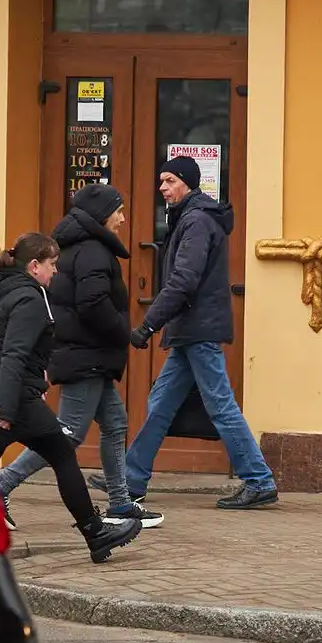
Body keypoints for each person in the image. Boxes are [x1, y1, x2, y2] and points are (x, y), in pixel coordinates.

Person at [0, 184, 163, 532]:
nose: (123, 218)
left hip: (86, 353)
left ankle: (120, 503)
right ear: (103, 214)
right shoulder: (94, 251)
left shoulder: (81, 246)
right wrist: (123, 331)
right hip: (86, 355)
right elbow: (92, 303)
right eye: (118, 211)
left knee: (115, 422)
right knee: (64, 436)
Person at [0, 232, 144, 563]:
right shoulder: (30, 298)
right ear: (34, 266)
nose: (56, 271)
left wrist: (36, 378)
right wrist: (5, 407)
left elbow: (9, 350)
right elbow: (13, 354)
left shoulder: (6, 291)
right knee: (62, 455)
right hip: (12, 399)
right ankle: (95, 532)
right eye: (52, 264)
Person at [125, 155, 279, 510]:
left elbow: (184, 279)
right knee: (161, 402)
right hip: (191, 329)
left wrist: (149, 324)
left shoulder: (195, 221)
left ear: (187, 182)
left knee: (220, 405)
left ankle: (258, 479)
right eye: (161, 182)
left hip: (197, 328)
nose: (163, 188)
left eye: (169, 181)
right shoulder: (191, 218)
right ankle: (131, 477)